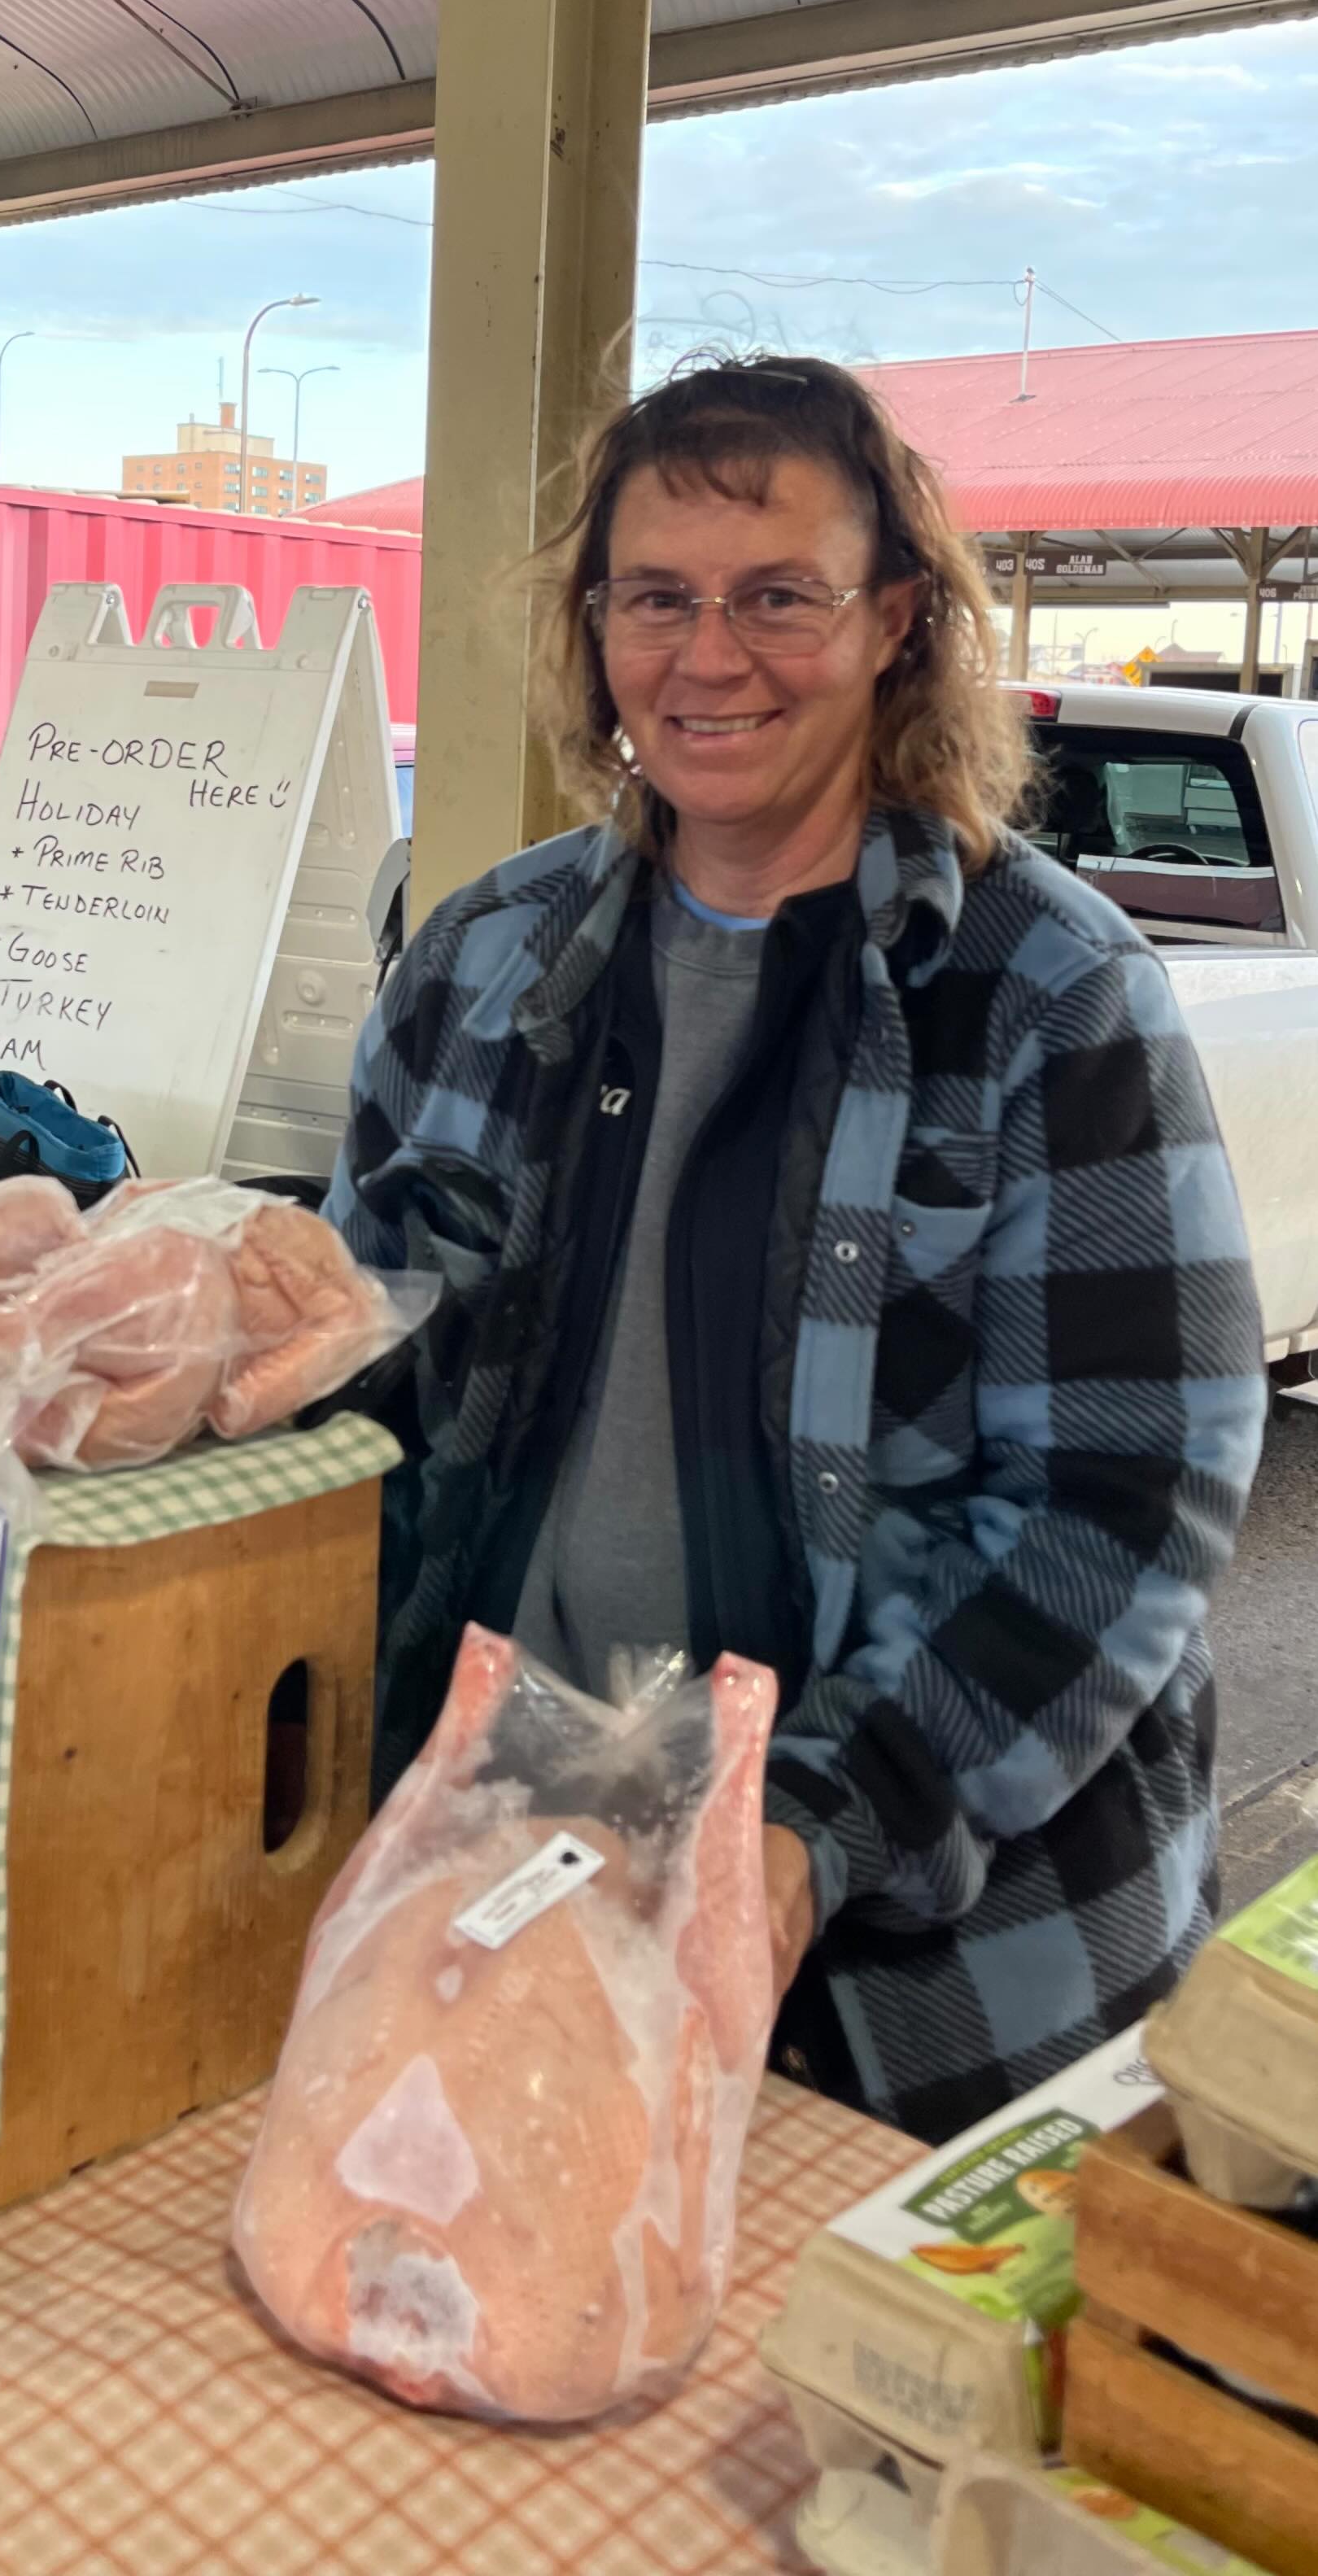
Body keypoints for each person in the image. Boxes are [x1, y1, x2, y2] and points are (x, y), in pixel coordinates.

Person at [327, 356, 1264, 2142]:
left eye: (780, 598)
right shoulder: (482, 958)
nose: (710, 656)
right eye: (656, 598)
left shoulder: (1045, 993)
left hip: (920, 1987)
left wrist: (813, 1833)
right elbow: (362, 1380)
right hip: (510, 1875)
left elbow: (1128, 1500)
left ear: (897, 621)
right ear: (596, 627)